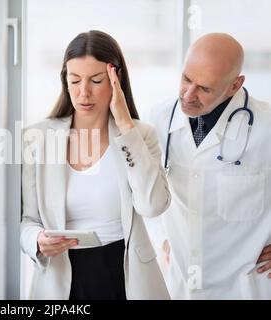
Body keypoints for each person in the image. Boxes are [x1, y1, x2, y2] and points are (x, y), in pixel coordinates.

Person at [20, 30, 170, 300]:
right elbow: (27, 220)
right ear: (64, 81)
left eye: (96, 80)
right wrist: (36, 241)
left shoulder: (140, 135)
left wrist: (125, 125)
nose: (84, 93)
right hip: (61, 277)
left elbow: (153, 205)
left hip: (124, 274)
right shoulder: (38, 139)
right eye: (74, 80)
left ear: (115, 79)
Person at [146, 33, 271, 299]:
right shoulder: (157, 118)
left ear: (235, 85)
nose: (189, 96)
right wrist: (162, 240)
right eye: (186, 79)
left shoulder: (267, 126)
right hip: (180, 286)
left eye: (205, 88)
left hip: (246, 288)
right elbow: (143, 193)